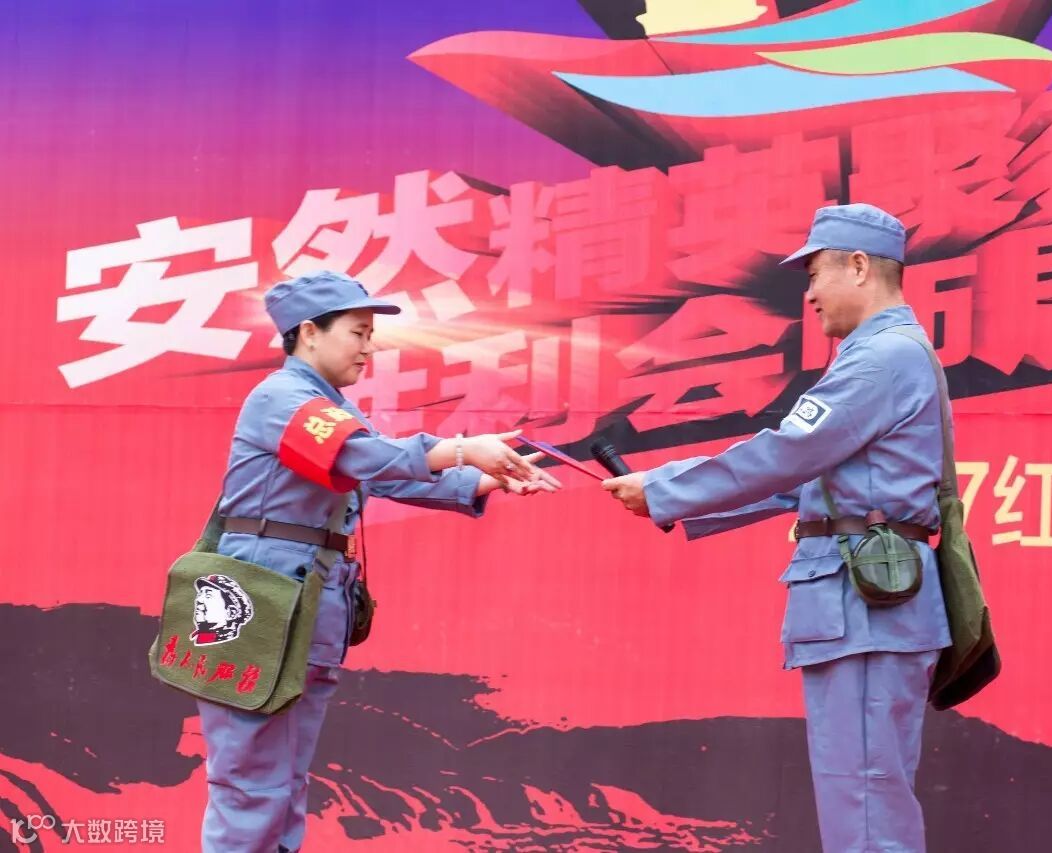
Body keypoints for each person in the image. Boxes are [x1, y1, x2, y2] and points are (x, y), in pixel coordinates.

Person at [602, 204, 952, 852]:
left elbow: (788, 453)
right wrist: (671, 497)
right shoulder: (885, 353)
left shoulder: (879, 358)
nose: (809, 295)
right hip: (864, 607)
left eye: (816, 274)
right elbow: (805, 480)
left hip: (864, 609)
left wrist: (666, 490)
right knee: (864, 800)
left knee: (865, 809)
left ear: (858, 266)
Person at [198, 270, 561, 853]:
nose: (369, 347)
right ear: (309, 333)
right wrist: (464, 449)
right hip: (260, 601)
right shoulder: (282, 397)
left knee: (284, 779)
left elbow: (385, 473)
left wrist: (491, 478)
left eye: (371, 334)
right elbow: (359, 456)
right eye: (357, 332)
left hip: (306, 601)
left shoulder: (329, 406)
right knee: (252, 779)